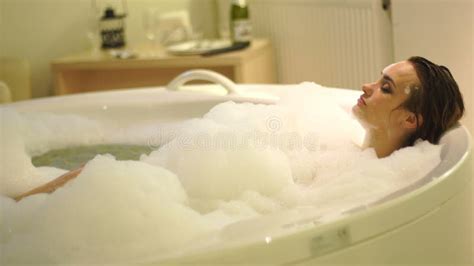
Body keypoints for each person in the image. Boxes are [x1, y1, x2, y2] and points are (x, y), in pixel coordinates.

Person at [13, 56, 465, 201]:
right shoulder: (343, 154)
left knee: (106, 177)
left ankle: (20, 198)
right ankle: (22, 196)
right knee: (103, 173)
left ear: (410, 120)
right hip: (216, 183)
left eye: (385, 88)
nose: (367, 86)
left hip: (212, 198)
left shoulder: (372, 186)